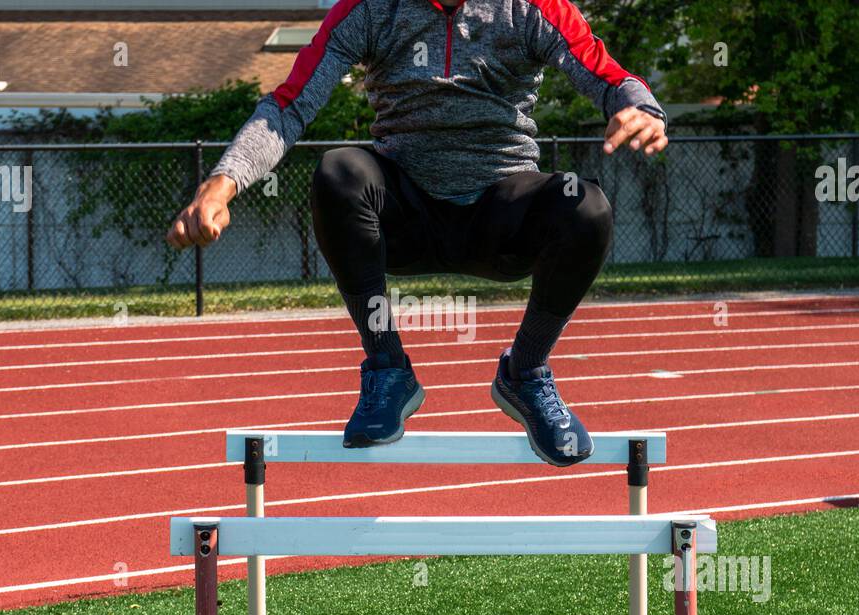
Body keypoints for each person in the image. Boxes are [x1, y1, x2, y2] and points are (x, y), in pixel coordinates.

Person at [167, 0, 668, 466]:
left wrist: (639, 106)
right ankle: (388, 369)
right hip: (405, 215)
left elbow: (606, 72)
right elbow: (289, 104)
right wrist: (222, 183)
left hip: (500, 215)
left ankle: (526, 372)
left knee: (585, 204)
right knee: (338, 171)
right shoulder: (369, 11)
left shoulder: (531, 8)